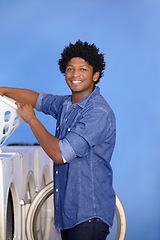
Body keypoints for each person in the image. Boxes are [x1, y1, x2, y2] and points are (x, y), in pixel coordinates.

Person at [0, 40, 116, 240]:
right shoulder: (66, 104)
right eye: (70, 69)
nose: (75, 74)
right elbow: (38, 99)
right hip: (68, 213)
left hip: (89, 215)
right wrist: (3, 90)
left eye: (83, 69)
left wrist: (32, 120)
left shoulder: (97, 112)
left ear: (95, 75)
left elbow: (60, 154)